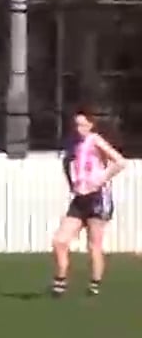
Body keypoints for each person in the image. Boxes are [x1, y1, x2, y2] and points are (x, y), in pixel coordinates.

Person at [51, 109, 128, 298]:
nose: (79, 128)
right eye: (77, 125)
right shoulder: (73, 144)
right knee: (60, 240)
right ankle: (61, 279)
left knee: (94, 245)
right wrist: (74, 184)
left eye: (83, 124)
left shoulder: (95, 140)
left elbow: (120, 161)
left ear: (91, 125)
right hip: (80, 197)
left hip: (98, 197)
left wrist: (100, 179)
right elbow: (68, 165)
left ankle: (94, 284)